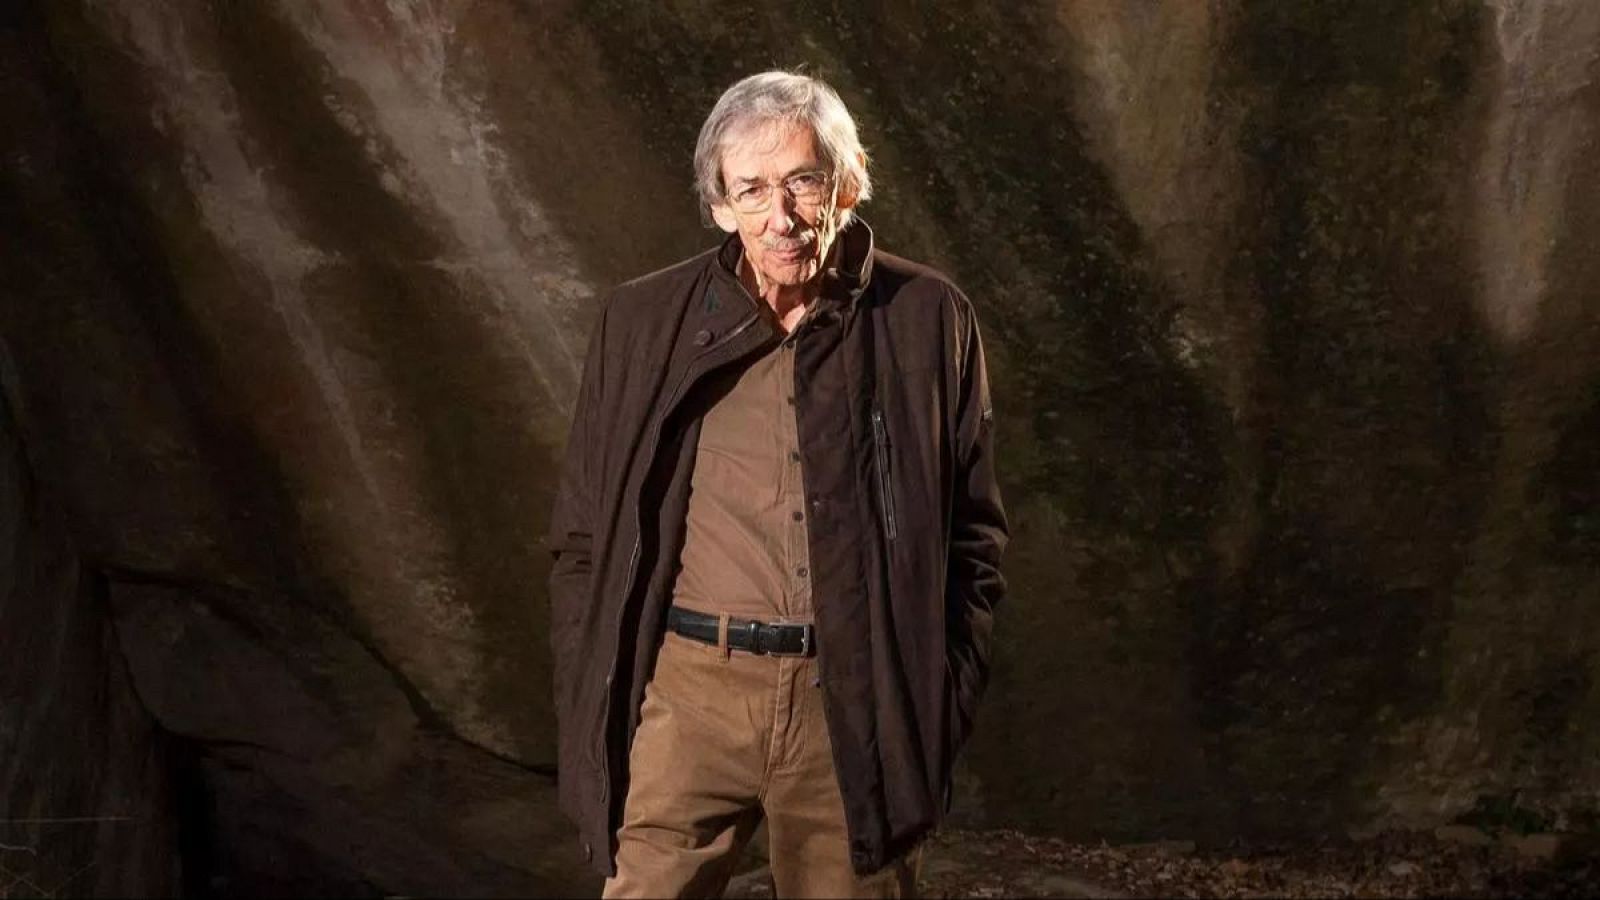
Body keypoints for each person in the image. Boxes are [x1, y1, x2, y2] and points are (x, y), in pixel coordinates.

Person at [547, 69, 1008, 898]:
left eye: (802, 181)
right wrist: (598, 687)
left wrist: (937, 702)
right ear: (720, 204)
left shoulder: (927, 318)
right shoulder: (643, 321)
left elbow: (974, 538)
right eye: (751, 189)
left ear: (850, 181)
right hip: (689, 694)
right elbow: (583, 536)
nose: (781, 216)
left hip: (853, 704)